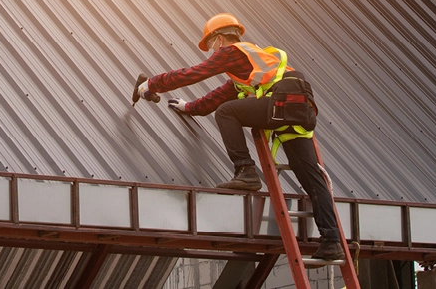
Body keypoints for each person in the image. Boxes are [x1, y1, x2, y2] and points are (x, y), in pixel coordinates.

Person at [134, 13, 345, 264]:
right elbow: (214, 98)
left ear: (219, 38)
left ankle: (245, 171)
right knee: (311, 176)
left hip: (283, 101)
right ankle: (332, 241)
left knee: (227, 112)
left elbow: (193, 73)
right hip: (300, 107)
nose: (212, 51)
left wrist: (152, 84)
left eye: (211, 45)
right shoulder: (251, 67)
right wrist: (188, 107)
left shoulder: (231, 52)